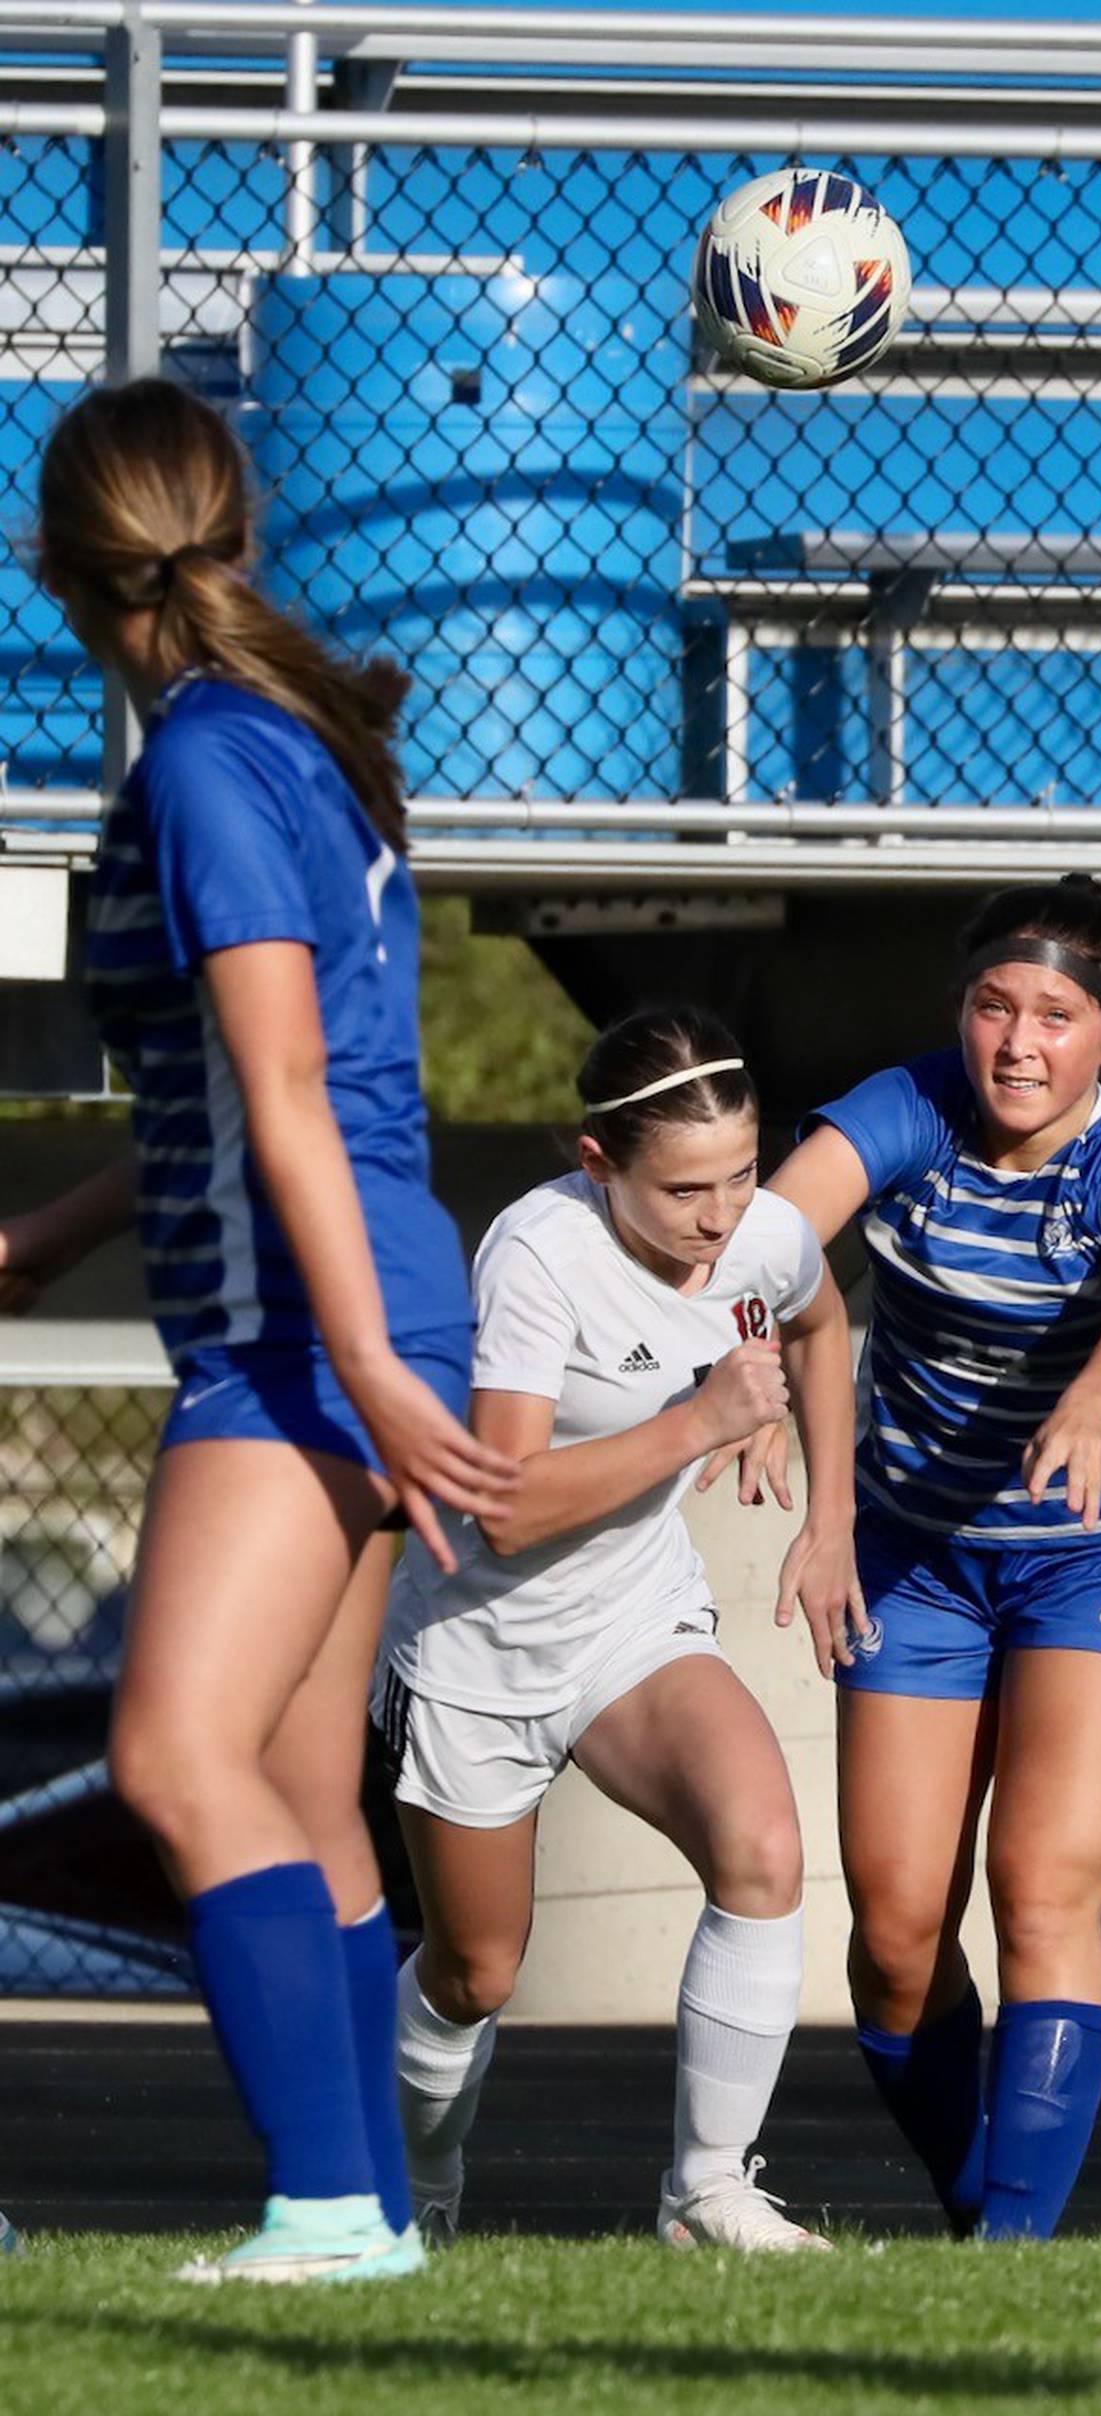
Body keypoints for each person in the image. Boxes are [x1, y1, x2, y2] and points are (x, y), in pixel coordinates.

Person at [0, 377, 518, 2284]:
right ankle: (370, 2211)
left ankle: (327, 2207)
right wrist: (55, 1232)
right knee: (302, 1788)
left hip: (310, 1329)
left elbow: (291, 1093)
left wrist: (363, 1360)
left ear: (54, 569)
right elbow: (247, 1093)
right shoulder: (287, 735)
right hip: (351, 1296)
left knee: (168, 1757)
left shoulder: (209, 760)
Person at [762, 873, 1101, 2240]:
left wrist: (1089, 1401)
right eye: (993, 1006)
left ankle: (1014, 2256)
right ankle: (979, 2218)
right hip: (915, 1552)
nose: (1019, 1043)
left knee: (1042, 1888)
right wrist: (740, 1320)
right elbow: (785, 1223)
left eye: (1057, 1016)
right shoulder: (913, 1107)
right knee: (898, 1939)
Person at [374, 1004, 863, 2253]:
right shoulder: (537, 1253)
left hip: (633, 1622)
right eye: (687, 1187)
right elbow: (503, 1512)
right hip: (480, 1648)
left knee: (761, 1845)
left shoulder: (757, 1235)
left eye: (745, 1174)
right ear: (596, 1165)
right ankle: (406, 2185)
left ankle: (707, 2194)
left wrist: (830, 1515)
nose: (723, 1213)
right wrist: (702, 1421)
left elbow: (815, 1320)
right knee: (475, 1971)